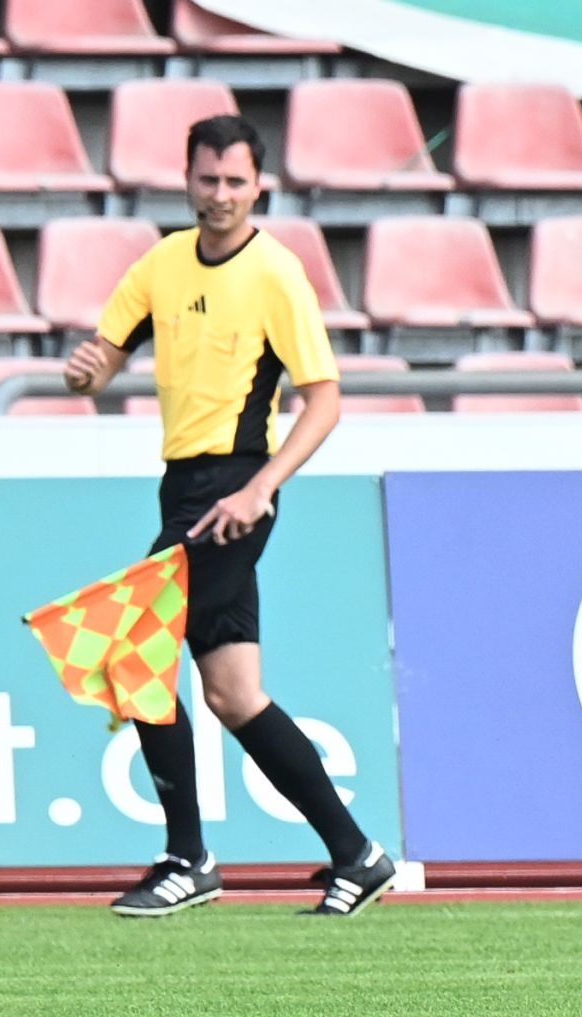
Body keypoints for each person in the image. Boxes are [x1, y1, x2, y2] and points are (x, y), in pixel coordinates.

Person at [62, 114, 396, 918]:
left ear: (259, 186)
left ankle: (188, 857)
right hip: (182, 486)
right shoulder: (162, 264)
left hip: (235, 491)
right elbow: (105, 359)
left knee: (131, 653)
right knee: (235, 693)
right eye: (207, 179)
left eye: (235, 181)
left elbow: (324, 400)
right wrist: (85, 373)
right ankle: (358, 854)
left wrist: (261, 488)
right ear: (187, 180)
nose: (220, 194)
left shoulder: (275, 273)